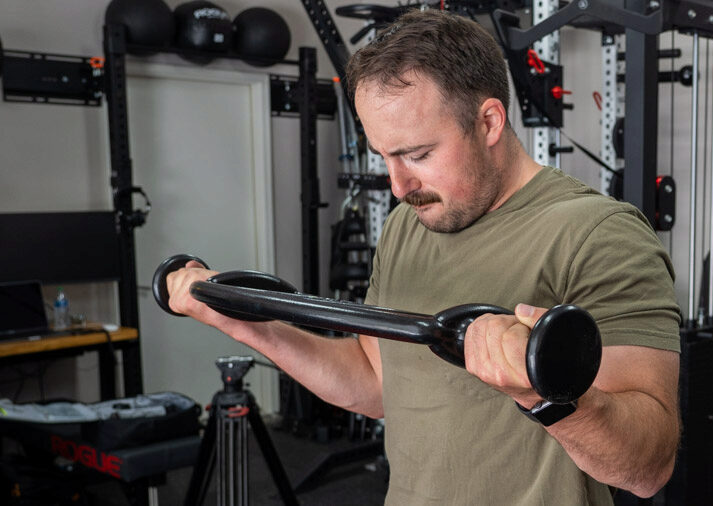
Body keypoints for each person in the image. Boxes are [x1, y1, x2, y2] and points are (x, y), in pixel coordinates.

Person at [166, 9, 681, 505]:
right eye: (385, 157)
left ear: (489, 121)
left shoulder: (599, 234)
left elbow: (647, 468)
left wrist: (544, 394)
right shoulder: (407, 224)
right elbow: (376, 382)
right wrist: (239, 320)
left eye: (417, 155)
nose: (397, 186)